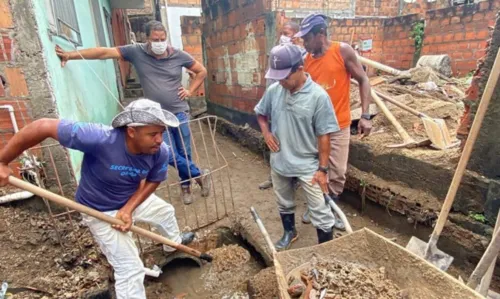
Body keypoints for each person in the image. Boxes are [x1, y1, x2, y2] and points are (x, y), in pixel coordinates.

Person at [0, 99, 195, 299]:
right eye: (153, 134)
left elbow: (154, 180)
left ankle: (172, 246)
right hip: (100, 210)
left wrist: (128, 209)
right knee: (130, 268)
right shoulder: (100, 138)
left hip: (130, 199)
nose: (159, 140)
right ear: (131, 131)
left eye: (161, 133)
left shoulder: (160, 152)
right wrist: (3, 161)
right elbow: (43, 126)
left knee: (166, 212)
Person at [55, 20, 209, 205]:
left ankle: (186, 186)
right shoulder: (136, 52)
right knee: (168, 154)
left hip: (180, 112)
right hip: (155, 118)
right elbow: (104, 52)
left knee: (185, 152)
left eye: (163, 39)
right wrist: (70, 55)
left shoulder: (178, 55)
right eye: (155, 39)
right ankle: (200, 175)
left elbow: (201, 71)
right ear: (147, 39)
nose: (160, 42)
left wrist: (190, 90)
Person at [255, 44, 340, 250]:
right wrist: (266, 133)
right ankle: (289, 232)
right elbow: (260, 112)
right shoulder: (275, 90)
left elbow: (324, 135)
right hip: (280, 159)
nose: (281, 82)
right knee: (283, 200)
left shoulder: (318, 97)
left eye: (285, 77)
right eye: (277, 77)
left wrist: (322, 170)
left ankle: (325, 250)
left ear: (299, 69)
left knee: (320, 210)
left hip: (307, 164)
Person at [295, 13, 373, 225]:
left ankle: (332, 208)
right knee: (314, 167)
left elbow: (363, 80)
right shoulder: (306, 60)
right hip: (314, 127)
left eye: (307, 38)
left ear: (321, 34)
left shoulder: (342, 51)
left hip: (338, 124)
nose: (304, 42)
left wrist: (365, 115)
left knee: (337, 171)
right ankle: (316, 206)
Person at [258, 20, 305, 191]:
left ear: (297, 35)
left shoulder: (301, 56)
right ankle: (275, 176)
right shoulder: (276, 54)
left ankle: (298, 181)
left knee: (297, 145)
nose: (283, 37)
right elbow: (271, 80)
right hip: (277, 104)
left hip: (296, 107)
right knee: (276, 142)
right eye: (282, 33)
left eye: (288, 33)